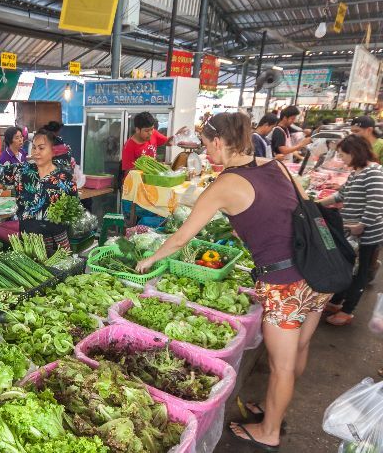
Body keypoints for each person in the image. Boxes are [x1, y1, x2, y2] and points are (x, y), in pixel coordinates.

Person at [135, 112, 331, 451]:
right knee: (299, 349)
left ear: (220, 141)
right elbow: (304, 206)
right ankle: (273, 405)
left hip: (285, 283)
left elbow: (182, 238)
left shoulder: (225, 184)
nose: (206, 153)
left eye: (207, 145)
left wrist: (150, 258)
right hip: (317, 271)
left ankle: (270, 430)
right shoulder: (276, 165)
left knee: (280, 365)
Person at [0, 130, 77, 248]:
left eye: (41, 148)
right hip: (29, 236)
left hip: (57, 237)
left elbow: (72, 207)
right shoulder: (24, 170)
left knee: (59, 265)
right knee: (32, 264)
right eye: (34, 147)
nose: (36, 152)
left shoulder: (64, 175)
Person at [318, 135, 383, 326]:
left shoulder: (374, 172)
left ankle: (348, 311)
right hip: (352, 231)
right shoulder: (357, 172)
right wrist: (315, 205)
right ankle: (337, 301)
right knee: (347, 266)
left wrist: (362, 225)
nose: (341, 159)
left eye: (343, 154)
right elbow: (341, 194)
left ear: (354, 152)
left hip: (367, 234)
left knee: (360, 271)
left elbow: (376, 202)